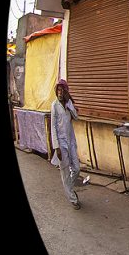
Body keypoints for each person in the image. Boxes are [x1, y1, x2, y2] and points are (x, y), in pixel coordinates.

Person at [50, 79, 89, 209]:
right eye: (58, 90)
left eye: (62, 90)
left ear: (66, 91)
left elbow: (76, 117)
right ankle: (73, 199)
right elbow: (53, 127)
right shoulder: (54, 105)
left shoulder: (68, 104)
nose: (60, 93)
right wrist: (57, 147)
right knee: (65, 172)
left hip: (71, 141)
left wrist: (69, 104)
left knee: (77, 168)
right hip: (61, 143)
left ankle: (70, 188)